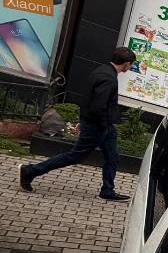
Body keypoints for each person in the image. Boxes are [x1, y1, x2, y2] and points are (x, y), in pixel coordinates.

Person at [19, 47, 137, 201]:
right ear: (126, 63)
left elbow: (87, 98)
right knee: (74, 156)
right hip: (98, 126)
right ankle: (30, 171)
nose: (130, 67)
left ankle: (107, 190)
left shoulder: (101, 71)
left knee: (112, 157)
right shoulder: (109, 78)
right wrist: (100, 125)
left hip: (104, 126)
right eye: (131, 65)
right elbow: (98, 106)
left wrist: (86, 120)